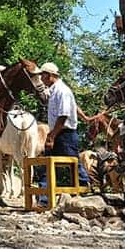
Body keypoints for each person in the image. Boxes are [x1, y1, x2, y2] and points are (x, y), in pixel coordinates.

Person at [39, 62, 90, 191]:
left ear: (50, 75)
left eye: (43, 75)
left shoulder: (62, 91)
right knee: (47, 164)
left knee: (73, 164)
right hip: (57, 132)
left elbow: (63, 116)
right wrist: (84, 117)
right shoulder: (54, 91)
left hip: (65, 134)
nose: (41, 79)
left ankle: (85, 190)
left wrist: (51, 137)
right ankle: (44, 198)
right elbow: (73, 105)